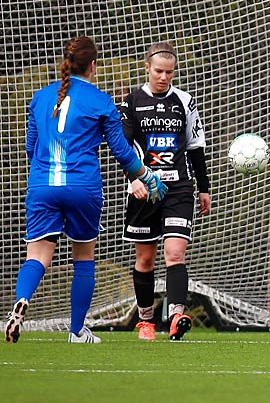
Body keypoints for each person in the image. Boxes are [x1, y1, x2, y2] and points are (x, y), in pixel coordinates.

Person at [6, 37, 165, 345]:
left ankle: (22, 300)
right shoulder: (101, 101)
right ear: (93, 65)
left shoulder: (40, 98)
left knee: (37, 255)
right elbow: (121, 151)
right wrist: (146, 175)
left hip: (42, 186)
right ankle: (77, 330)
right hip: (82, 187)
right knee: (83, 258)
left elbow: (30, 147)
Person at [120, 42, 211, 340]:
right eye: (158, 71)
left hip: (179, 189)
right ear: (147, 67)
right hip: (145, 190)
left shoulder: (185, 101)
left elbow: (195, 147)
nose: (164, 77)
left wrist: (204, 189)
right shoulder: (131, 102)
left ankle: (176, 317)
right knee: (145, 259)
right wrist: (134, 179)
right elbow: (124, 147)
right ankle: (145, 321)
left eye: (169, 72)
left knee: (175, 254)